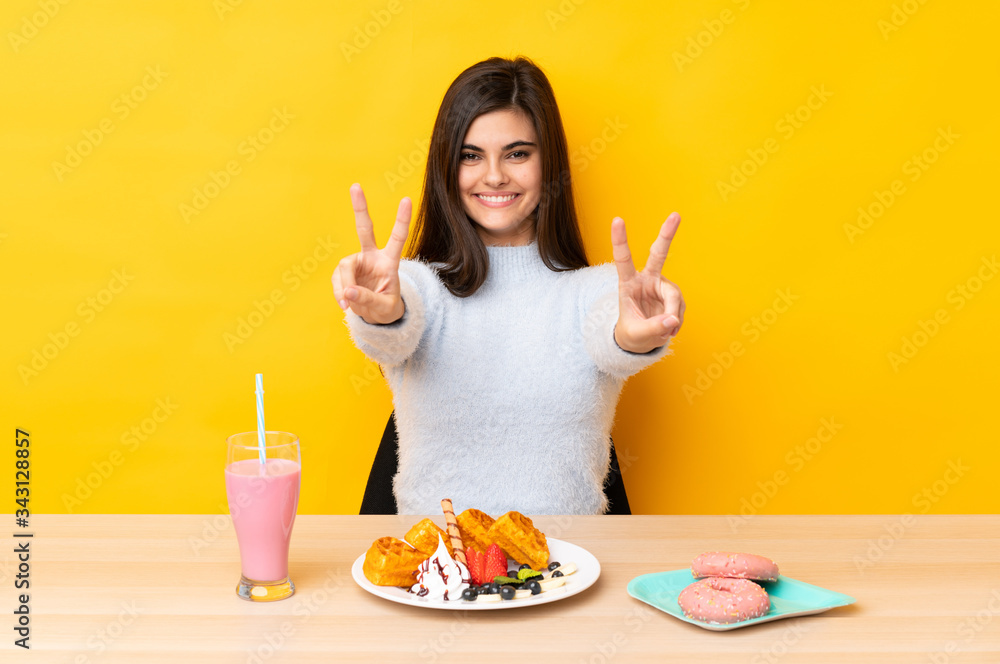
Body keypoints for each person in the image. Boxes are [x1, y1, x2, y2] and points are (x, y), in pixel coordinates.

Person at [332, 55, 685, 515]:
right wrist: (379, 312)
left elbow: (612, 332)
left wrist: (635, 337)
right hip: (437, 574)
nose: (495, 175)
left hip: (569, 571)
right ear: (447, 167)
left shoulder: (597, 291)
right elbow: (397, 326)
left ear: (548, 162)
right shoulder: (417, 286)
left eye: (517, 153)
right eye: (470, 155)